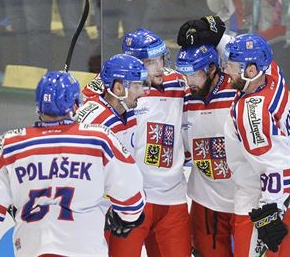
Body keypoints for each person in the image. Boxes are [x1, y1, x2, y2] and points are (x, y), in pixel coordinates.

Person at [0, 71, 146, 257]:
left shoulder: (12, 143)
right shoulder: (99, 138)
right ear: (76, 105)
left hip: (33, 249)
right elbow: (132, 195)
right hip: (85, 249)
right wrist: (127, 217)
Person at [177, 17, 290, 255]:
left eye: (231, 65)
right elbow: (287, 114)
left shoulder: (250, 111)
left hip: (260, 203)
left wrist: (271, 208)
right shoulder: (271, 77)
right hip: (270, 198)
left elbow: (274, 166)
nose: (226, 69)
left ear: (250, 70)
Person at [82, 28, 191, 256]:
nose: (160, 67)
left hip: (172, 198)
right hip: (130, 201)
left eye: (161, 59)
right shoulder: (110, 87)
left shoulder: (177, 83)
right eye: (151, 62)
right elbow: (78, 118)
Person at [177, 44, 237, 256]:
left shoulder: (238, 90)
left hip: (244, 200)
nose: (189, 82)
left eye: (194, 74)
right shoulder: (183, 99)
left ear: (212, 68)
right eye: (185, 75)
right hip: (205, 202)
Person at [75, 53, 150, 155]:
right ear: (118, 88)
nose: (142, 92)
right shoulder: (94, 122)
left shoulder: (129, 110)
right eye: (137, 87)